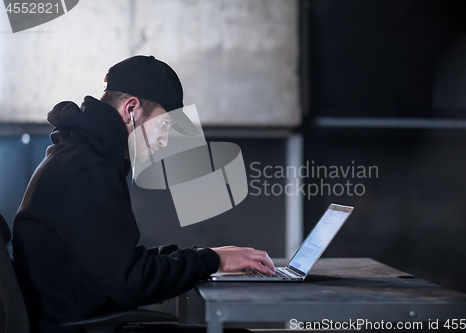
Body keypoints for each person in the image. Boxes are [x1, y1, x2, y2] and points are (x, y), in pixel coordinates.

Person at [12, 55, 275, 333]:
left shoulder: (81, 156)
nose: (164, 141)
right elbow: (133, 282)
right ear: (132, 109)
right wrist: (213, 260)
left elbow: (114, 260)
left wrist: (203, 255)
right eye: (163, 126)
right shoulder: (87, 169)